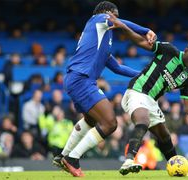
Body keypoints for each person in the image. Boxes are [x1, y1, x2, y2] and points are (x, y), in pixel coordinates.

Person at [106, 14, 188, 175]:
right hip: (137, 91)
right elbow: (140, 42)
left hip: (151, 100)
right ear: (186, 51)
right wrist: (123, 27)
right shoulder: (169, 50)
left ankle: (179, 168)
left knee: (164, 136)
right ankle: (129, 160)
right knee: (143, 120)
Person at [53, 1, 156, 177]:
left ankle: (63, 155)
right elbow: (120, 22)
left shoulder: (102, 40)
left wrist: (144, 75)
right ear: (106, 13)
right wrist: (145, 30)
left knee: (91, 120)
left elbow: (118, 68)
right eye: (114, 15)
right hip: (82, 79)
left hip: (78, 79)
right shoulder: (97, 19)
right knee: (110, 123)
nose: (116, 19)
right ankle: (72, 158)